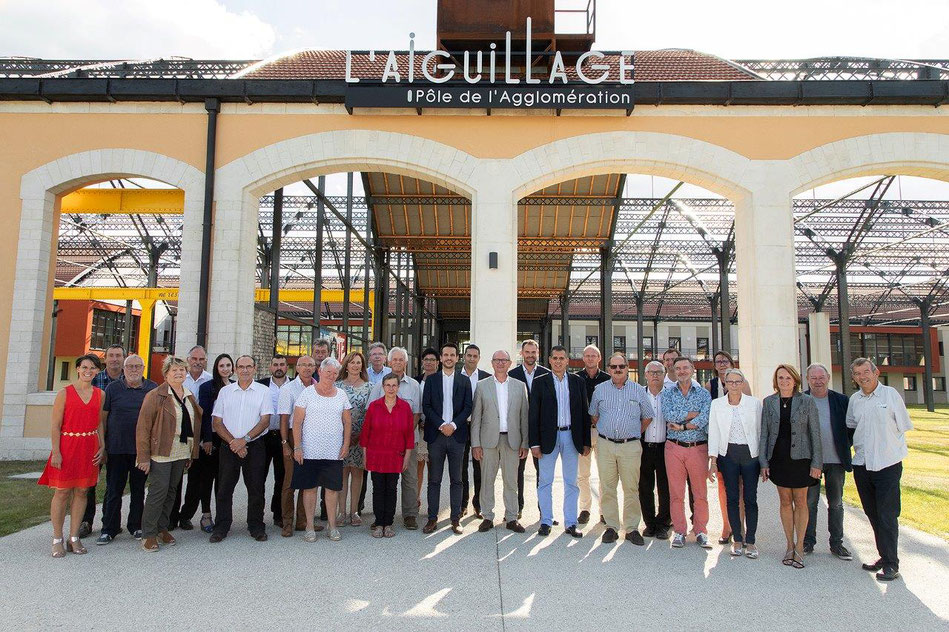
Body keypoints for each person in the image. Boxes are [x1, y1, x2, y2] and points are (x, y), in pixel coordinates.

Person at [847, 357, 913, 582]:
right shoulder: (855, 400)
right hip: (863, 465)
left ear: (876, 372)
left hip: (888, 465)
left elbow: (903, 426)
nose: (862, 377)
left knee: (887, 515)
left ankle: (892, 564)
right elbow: (851, 428)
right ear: (854, 378)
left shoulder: (891, 395)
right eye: (857, 374)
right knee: (872, 514)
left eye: (866, 372)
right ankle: (883, 557)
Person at [38, 354, 106, 558]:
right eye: (84, 367)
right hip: (67, 447)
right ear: (78, 369)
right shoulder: (64, 393)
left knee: (83, 491)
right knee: (62, 492)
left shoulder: (100, 394)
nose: (88, 371)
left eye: (93, 368)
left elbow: (99, 422)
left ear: (97, 371)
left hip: (89, 447)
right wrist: (56, 451)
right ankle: (57, 538)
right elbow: (55, 425)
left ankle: (74, 537)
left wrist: (102, 446)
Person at [135, 356, 202, 552]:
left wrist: (191, 452)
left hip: (181, 450)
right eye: (174, 370)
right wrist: (143, 457)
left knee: (172, 491)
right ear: (166, 374)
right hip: (161, 451)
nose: (179, 373)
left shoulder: (189, 395)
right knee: (158, 491)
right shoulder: (156, 395)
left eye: (182, 370)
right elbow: (143, 427)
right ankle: (148, 533)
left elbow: (192, 425)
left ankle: (162, 527)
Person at [760, 364, 822, 569]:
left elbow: (815, 434)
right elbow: (764, 434)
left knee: (801, 502)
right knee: (785, 502)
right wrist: (763, 462)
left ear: (795, 380)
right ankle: (789, 545)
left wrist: (817, 463)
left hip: (802, 460)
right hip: (779, 459)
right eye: (780, 378)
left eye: (788, 378)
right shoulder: (769, 402)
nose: (784, 381)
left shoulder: (807, 401)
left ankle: (800, 547)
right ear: (775, 381)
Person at [588, 353, 653, 545]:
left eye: (621, 367)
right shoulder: (599, 390)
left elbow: (647, 416)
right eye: (614, 367)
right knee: (607, 487)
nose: (617, 370)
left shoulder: (638, 390)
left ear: (627, 367)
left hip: (630, 446)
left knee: (631, 488)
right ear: (608, 369)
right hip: (606, 445)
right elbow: (594, 415)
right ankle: (611, 527)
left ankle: (632, 528)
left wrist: (632, 433)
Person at [529, 345, 591, 537]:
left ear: (567, 360)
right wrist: (534, 443)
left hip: (571, 437)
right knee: (545, 481)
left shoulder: (577, 382)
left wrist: (586, 442)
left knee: (571, 482)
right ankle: (546, 521)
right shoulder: (540, 382)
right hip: (548, 438)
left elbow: (584, 413)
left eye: (561, 358)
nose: (558, 361)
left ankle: (571, 523)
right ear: (549, 360)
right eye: (554, 358)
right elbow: (533, 415)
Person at [210, 355, 273, 543]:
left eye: (248, 366)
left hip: (254, 446)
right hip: (229, 446)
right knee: (224, 488)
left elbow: (265, 420)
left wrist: (244, 440)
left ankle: (256, 526)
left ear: (255, 368)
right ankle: (221, 526)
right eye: (241, 367)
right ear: (235, 370)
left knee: (256, 488)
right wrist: (234, 443)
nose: (244, 370)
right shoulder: (226, 392)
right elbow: (217, 422)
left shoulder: (263, 391)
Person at [96, 354, 157, 545]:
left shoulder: (152, 389)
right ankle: (109, 528)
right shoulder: (113, 388)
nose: (133, 370)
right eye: (130, 366)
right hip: (116, 448)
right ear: (123, 369)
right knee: (114, 489)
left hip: (140, 451)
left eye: (137, 366)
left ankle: (136, 526)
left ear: (143, 368)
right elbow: (103, 419)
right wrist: (103, 446)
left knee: (138, 490)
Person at [291, 357, 352, 542]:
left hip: (333, 452)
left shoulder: (341, 394)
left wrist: (346, 444)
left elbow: (347, 422)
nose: (331, 376)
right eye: (328, 372)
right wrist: (297, 446)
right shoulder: (307, 393)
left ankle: (332, 526)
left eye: (335, 373)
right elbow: (297, 422)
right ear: (320, 371)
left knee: (332, 490)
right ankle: (309, 526)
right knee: (309, 489)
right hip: (309, 451)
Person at [471, 349, 529, 533]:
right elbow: (476, 417)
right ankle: (487, 516)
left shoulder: (519, 386)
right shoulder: (482, 385)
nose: (501, 363)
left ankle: (512, 517)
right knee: (487, 480)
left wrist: (525, 443)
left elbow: (524, 417)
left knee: (511, 481)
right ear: (492, 363)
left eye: (504, 360)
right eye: (497, 360)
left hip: (512, 441)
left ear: (510, 363)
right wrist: (475, 443)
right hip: (488, 441)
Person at [708, 368, 762, 558]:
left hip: (750, 455)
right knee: (731, 497)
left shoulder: (754, 404)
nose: (734, 385)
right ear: (725, 384)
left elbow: (760, 432)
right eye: (730, 382)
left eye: (737, 382)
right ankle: (737, 539)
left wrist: (763, 462)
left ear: (743, 383)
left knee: (750, 499)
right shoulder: (717, 405)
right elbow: (714, 432)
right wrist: (713, 461)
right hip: (727, 454)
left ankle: (751, 541)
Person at [803, 362, 853, 560]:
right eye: (813, 378)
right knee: (810, 502)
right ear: (807, 380)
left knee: (836, 504)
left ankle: (837, 543)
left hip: (836, 461)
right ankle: (808, 541)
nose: (817, 381)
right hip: (810, 462)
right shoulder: (802, 400)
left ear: (828, 378)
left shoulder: (841, 400)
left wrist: (844, 446)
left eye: (821, 377)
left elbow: (851, 428)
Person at [421, 342, 473, 534]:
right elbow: (427, 406)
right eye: (446, 355)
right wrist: (442, 425)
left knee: (457, 480)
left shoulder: (464, 381)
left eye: (452, 355)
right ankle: (432, 518)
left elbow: (468, 406)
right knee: (434, 480)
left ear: (457, 358)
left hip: (457, 436)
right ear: (441, 358)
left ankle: (455, 519)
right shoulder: (431, 380)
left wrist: (454, 425)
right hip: (436, 436)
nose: (449, 358)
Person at [661, 356, 713, 549]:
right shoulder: (667, 393)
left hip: (697, 447)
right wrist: (692, 415)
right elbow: (668, 415)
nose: (681, 371)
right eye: (678, 368)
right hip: (673, 448)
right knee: (676, 493)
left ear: (693, 369)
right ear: (673, 371)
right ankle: (680, 531)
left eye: (685, 367)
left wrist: (683, 425)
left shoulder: (703, 394)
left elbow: (705, 417)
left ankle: (700, 530)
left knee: (700, 493)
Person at [368, 347, 422, 530]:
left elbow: (416, 413)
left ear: (406, 362)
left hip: (407, 442)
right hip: (383, 445)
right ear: (389, 362)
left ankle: (410, 515)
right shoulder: (379, 386)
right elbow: (371, 412)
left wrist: (404, 436)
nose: (398, 362)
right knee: (384, 482)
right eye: (395, 360)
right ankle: (381, 518)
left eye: (401, 360)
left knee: (409, 478)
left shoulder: (414, 385)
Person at [704, 350, 752, 544]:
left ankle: (740, 526)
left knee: (741, 488)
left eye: (725, 361)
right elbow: (708, 414)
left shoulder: (743, 383)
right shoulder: (711, 385)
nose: (722, 364)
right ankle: (727, 525)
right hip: (722, 444)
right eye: (718, 362)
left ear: (731, 363)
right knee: (723, 488)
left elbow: (749, 412)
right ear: (715, 366)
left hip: (741, 445)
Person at [78, 344, 124, 539]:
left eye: (118, 356)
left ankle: (109, 522)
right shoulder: (94, 379)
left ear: (123, 358)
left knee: (114, 483)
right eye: (111, 356)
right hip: (93, 438)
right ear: (105, 359)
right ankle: (86, 521)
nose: (115, 359)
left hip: (117, 440)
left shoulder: (127, 380)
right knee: (88, 482)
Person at [361, 373, 415, 538]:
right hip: (376, 455)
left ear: (398, 387)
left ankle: (388, 523)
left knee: (391, 489)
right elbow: (365, 433)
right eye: (388, 385)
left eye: (394, 385)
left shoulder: (405, 407)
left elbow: (409, 436)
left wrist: (406, 457)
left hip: (395, 456)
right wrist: (365, 456)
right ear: (383, 387)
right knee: (378, 489)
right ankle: (378, 523)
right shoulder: (374, 406)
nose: (391, 389)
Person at [187, 353, 233, 534]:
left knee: (224, 480)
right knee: (207, 479)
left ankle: (223, 516)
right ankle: (206, 514)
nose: (225, 369)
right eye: (222, 366)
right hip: (211, 438)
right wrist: (206, 439)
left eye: (228, 365)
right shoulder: (207, 387)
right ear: (216, 368)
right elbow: (204, 415)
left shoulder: (236, 386)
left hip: (228, 438)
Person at [509, 339, 550, 519]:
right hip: (518, 432)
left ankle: (544, 512)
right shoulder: (512, 375)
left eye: (533, 352)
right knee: (516, 473)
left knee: (544, 474)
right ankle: (517, 509)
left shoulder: (547, 374)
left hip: (541, 433)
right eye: (527, 352)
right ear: (522, 354)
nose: (530, 355)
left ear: (538, 353)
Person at [276, 355, 316, 537]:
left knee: (308, 481)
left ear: (315, 368)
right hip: (293, 436)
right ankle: (287, 522)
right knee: (290, 482)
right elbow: (284, 419)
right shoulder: (288, 389)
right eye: (303, 365)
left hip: (313, 437)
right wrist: (285, 443)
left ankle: (302, 520)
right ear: (297, 368)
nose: (307, 368)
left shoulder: (318, 387)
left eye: (310, 365)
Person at [575, 344, 610, 525]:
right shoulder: (575, 378)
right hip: (583, 432)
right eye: (587, 355)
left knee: (605, 474)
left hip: (603, 432)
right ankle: (585, 509)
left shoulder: (608, 379)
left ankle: (604, 511)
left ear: (599, 358)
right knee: (583, 474)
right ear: (583, 358)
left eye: (593, 355)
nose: (590, 358)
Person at [336, 351, 371, 526]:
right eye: (352, 362)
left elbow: (370, 413)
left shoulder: (369, 386)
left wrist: (361, 434)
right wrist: (345, 435)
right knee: (342, 474)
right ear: (346, 365)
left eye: (359, 363)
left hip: (361, 436)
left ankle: (354, 511)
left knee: (357, 473)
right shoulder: (337, 386)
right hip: (341, 436)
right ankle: (341, 512)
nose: (355, 365)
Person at [640, 361, 673, 539]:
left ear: (664, 374)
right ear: (645, 375)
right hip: (644, 447)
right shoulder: (639, 394)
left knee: (665, 487)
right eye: (651, 372)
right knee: (645, 486)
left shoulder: (670, 395)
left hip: (665, 448)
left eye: (659, 372)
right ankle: (650, 523)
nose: (655, 375)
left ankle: (663, 524)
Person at [257, 354, 289, 527]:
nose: (279, 367)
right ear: (270, 367)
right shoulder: (260, 385)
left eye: (282, 364)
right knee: (258, 477)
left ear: (286, 367)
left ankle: (278, 514)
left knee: (282, 477)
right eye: (275, 364)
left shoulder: (293, 385)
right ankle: (257, 514)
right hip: (263, 436)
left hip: (283, 436)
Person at [459, 344, 490, 518]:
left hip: (481, 428)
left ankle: (478, 504)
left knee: (480, 468)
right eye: (469, 355)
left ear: (479, 358)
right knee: (461, 468)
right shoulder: (456, 376)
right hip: (462, 426)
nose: (471, 358)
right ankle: (462, 504)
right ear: (464, 357)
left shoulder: (486, 378)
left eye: (475, 356)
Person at [413, 347, 440, 503]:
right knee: (418, 467)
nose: (429, 362)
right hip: (418, 429)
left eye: (432, 360)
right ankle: (416, 499)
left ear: (437, 363)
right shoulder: (416, 381)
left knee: (433, 468)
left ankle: (432, 501)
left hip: (435, 430)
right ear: (422, 362)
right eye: (426, 359)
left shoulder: (442, 380)